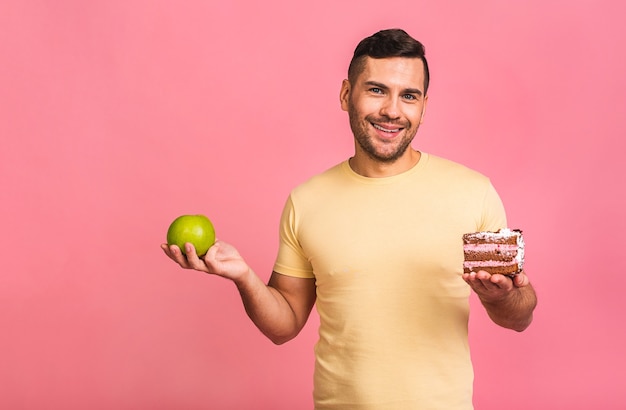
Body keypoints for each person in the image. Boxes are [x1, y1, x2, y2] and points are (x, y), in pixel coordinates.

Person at [161, 28, 537, 410]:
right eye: (376, 90)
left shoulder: (474, 192)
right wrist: (243, 276)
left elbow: (519, 315)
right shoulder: (307, 201)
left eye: (408, 96)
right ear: (346, 94)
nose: (392, 110)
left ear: (423, 106)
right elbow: (285, 324)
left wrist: (504, 297)